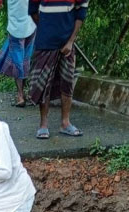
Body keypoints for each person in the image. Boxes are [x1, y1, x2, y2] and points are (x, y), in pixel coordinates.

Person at [28, 0, 87, 139]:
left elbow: (81, 13)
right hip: (45, 42)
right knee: (43, 84)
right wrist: (45, 29)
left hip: (67, 43)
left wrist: (71, 41)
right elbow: (33, 10)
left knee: (67, 82)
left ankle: (65, 123)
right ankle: (43, 125)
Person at [0, 0, 38, 107]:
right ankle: (25, 94)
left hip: (17, 27)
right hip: (30, 24)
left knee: (18, 62)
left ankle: (20, 95)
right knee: (26, 60)